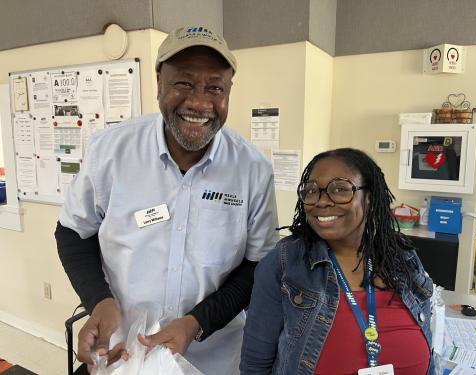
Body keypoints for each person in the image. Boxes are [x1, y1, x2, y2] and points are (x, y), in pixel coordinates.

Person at [55, 26, 279, 375]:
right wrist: (97, 300)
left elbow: (258, 266)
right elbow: (72, 233)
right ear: (159, 82)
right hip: (122, 353)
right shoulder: (111, 151)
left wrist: (197, 322)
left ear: (229, 91)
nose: (199, 103)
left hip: (213, 359)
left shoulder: (253, 169)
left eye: (215, 88)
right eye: (184, 84)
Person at [240, 148, 434, 375]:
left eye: (340, 189)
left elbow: (428, 346)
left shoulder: (401, 257)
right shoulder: (285, 263)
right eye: (311, 191)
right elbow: (255, 365)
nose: (321, 201)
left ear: (369, 198)